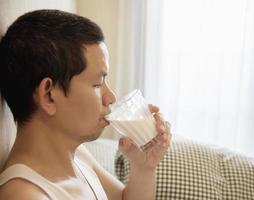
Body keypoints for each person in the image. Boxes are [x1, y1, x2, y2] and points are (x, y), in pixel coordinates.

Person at [0, 9, 171, 200]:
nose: (111, 97)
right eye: (97, 84)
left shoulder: (78, 157)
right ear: (49, 96)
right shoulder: (25, 195)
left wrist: (143, 167)